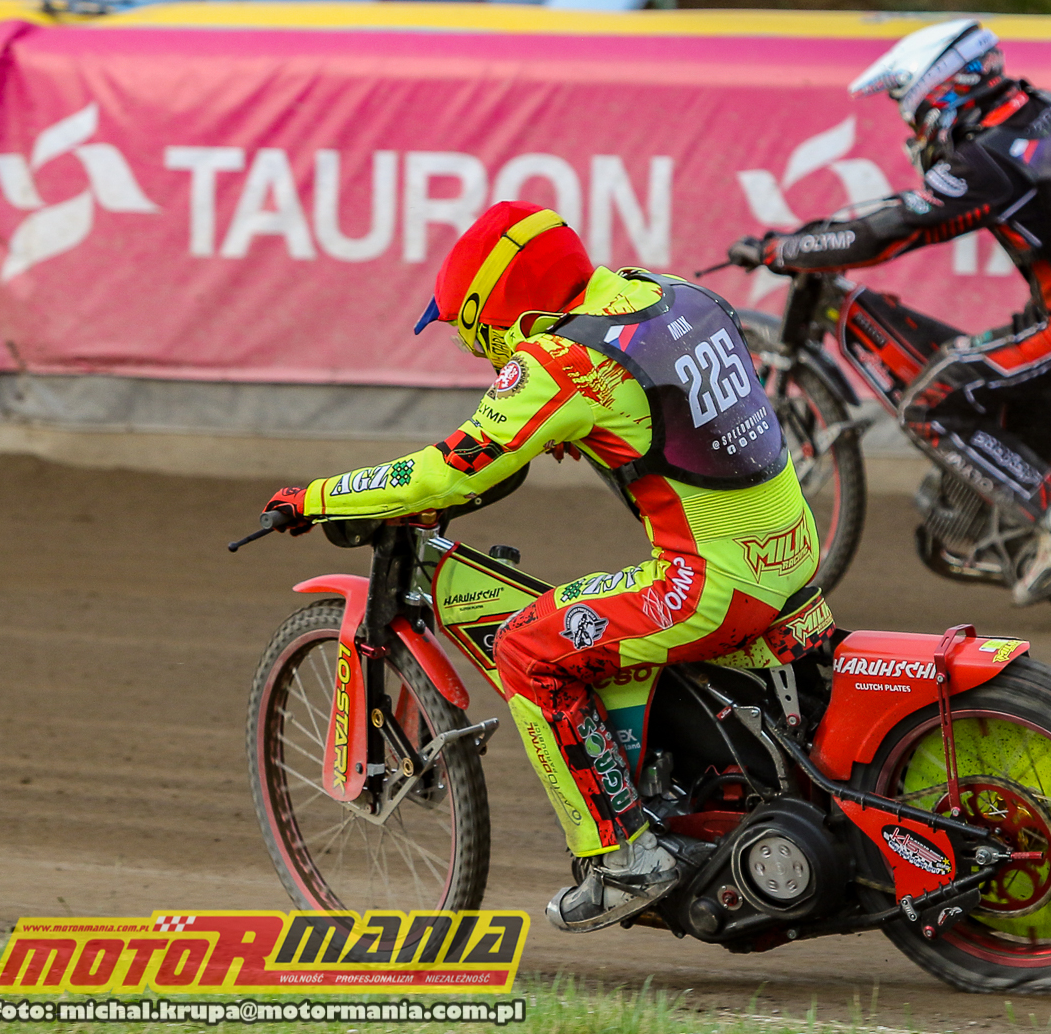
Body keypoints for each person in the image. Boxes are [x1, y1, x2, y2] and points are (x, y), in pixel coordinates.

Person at [260, 201, 820, 932]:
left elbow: (445, 474)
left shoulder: (558, 362)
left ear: (497, 314)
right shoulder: (673, 294)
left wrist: (315, 498)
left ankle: (625, 857)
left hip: (710, 586)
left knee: (526, 646)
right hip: (791, 547)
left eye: (477, 340)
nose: (486, 361)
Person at [731, 19, 1051, 604]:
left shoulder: (989, 163)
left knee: (930, 404)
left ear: (942, 91)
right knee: (964, 364)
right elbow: (913, 211)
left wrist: (785, 250)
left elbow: (894, 230)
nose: (913, 125)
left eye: (911, 108)